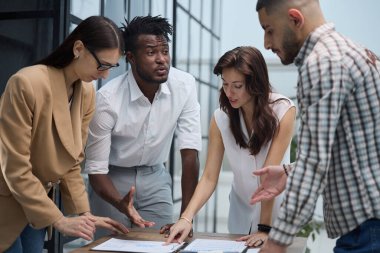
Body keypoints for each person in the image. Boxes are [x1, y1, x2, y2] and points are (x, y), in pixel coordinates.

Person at [251, 0, 380, 252]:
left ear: (295, 19)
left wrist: (277, 240)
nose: (266, 43)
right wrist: (289, 172)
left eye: (269, 30)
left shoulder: (323, 63)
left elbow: (314, 161)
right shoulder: (353, 51)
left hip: (368, 231)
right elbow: (355, 147)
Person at [0, 16, 129, 252]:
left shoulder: (87, 93)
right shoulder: (26, 83)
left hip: (37, 203)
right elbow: (14, 166)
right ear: (78, 48)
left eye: (112, 67)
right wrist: (59, 219)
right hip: (6, 199)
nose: (105, 76)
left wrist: (85, 215)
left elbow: (72, 161)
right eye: (102, 65)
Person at [83, 15, 202, 238]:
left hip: (156, 176)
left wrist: (187, 216)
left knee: (165, 243)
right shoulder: (107, 99)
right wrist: (121, 204)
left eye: (165, 51)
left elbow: (190, 154)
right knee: (108, 247)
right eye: (151, 52)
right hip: (111, 180)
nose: (162, 60)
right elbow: (96, 170)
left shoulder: (184, 86)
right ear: (131, 58)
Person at [165, 46, 296, 247]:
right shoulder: (221, 117)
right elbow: (209, 177)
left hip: (275, 213)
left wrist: (265, 228)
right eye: (225, 84)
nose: (229, 92)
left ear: (255, 83)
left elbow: (269, 176)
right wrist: (186, 218)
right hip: (241, 208)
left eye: (237, 85)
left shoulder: (283, 110)